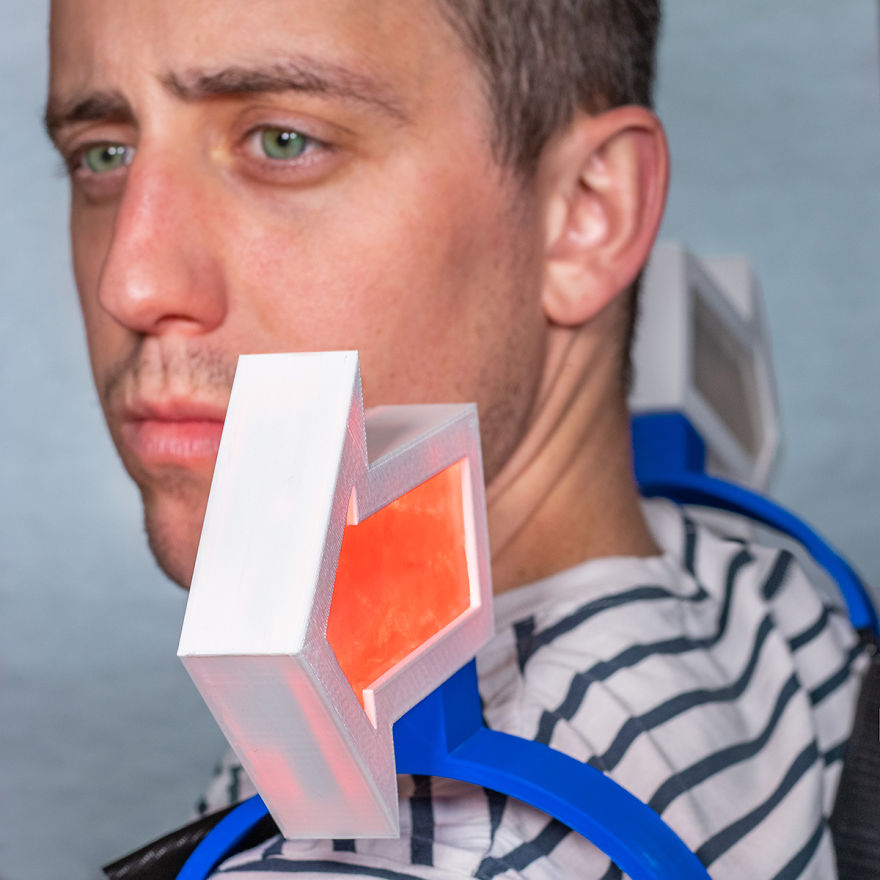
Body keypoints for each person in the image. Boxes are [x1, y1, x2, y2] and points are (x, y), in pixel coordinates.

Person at [45, 1, 865, 877]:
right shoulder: (774, 593)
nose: (129, 283)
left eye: (283, 141)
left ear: (586, 213)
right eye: (104, 153)